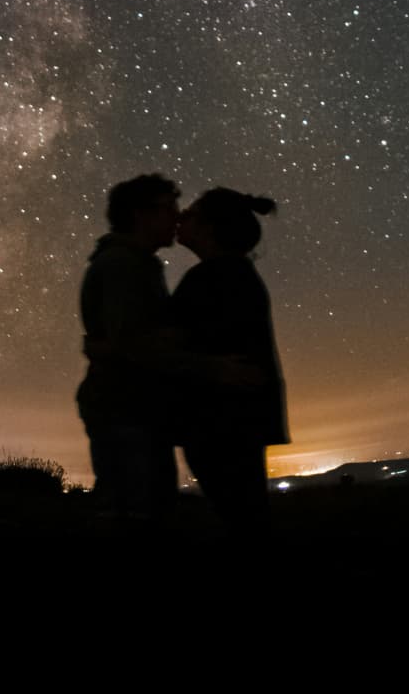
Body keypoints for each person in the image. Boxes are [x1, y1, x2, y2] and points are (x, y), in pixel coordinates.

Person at [172, 189, 288, 533]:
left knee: (242, 521)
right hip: (241, 420)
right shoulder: (235, 273)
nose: (180, 218)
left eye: (189, 214)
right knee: (248, 517)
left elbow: (167, 344)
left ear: (209, 228)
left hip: (220, 423)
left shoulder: (209, 279)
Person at [76, 173, 183, 521]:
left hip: (132, 408)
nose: (177, 217)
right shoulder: (123, 265)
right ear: (141, 215)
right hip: (125, 410)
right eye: (169, 209)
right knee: (137, 516)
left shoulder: (136, 263)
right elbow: (133, 344)